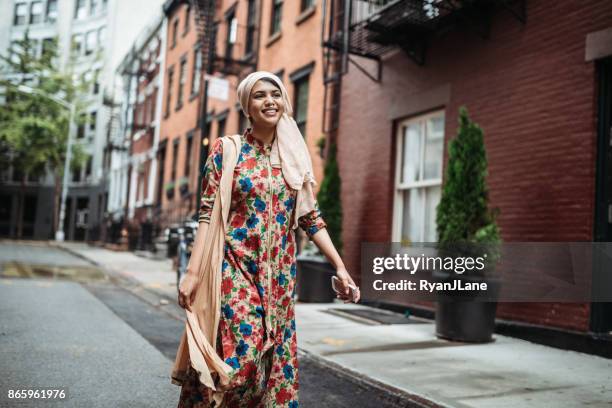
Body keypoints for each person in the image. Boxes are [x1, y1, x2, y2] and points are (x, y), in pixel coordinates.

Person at [176, 71, 359, 407]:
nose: (269, 101)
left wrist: (340, 266)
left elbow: (309, 218)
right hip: (235, 268)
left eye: (275, 94)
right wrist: (192, 273)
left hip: (278, 277)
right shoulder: (228, 150)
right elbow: (207, 213)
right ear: (248, 106)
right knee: (243, 353)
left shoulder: (293, 156)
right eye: (259, 95)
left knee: (269, 361)